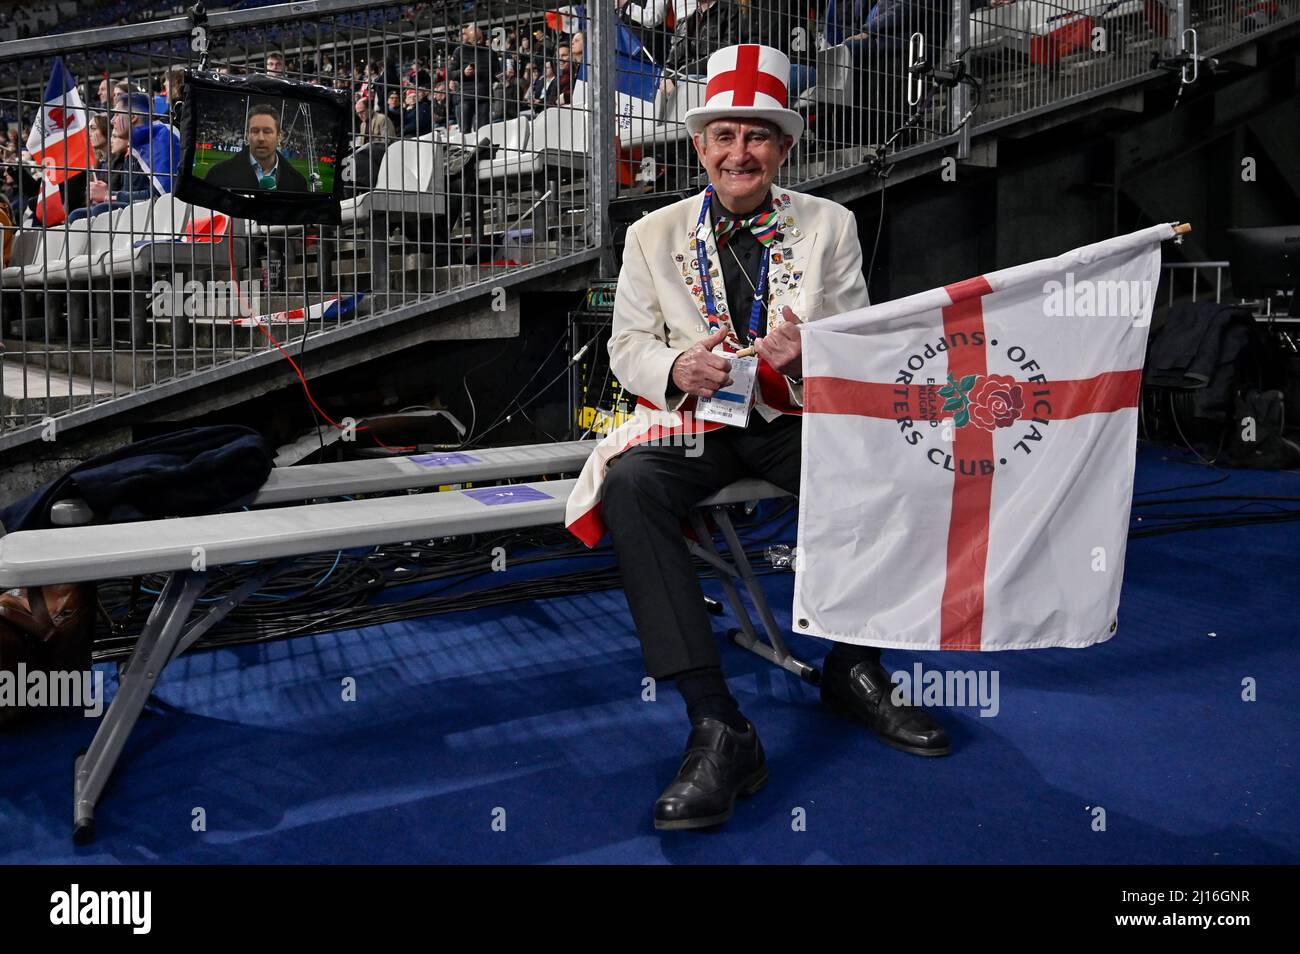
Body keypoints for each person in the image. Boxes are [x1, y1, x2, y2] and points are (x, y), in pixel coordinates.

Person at [564, 44, 950, 832]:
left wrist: (813, 346)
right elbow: (626, 347)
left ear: (783, 148)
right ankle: (717, 723)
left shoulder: (830, 226)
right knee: (633, 486)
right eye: (725, 137)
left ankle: (852, 666)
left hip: (788, 414)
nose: (741, 153)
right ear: (701, 147)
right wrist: (679, 364)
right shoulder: (651, 233)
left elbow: (859, 341)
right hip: (696, 422)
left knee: (883, 473)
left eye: (759, 137)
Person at [204, 104, 310, 192]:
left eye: (267, 131)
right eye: (255, 131)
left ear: (279, 136)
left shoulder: (298, 182)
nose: (261, 138)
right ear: (247, 135)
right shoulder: (218, 175)